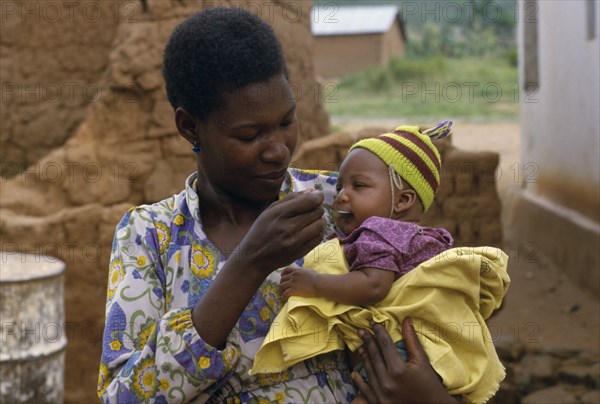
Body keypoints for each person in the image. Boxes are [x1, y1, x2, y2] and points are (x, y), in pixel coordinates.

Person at [97, 7, 460, 403]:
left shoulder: (340, 206)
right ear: (190, 127)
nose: (278, 150)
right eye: (250, 134)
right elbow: (123, 397)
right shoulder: (150, 235)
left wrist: (432, 397)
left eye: (287, 121)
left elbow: (435, 310)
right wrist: (247, 264)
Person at [251, 124, 510, 402]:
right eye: (340, 186)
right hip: (436, 349)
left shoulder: (378, 231)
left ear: (403, 201)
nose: (341, 195)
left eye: (358, 185)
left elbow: (375, 284)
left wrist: (315, 284)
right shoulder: (414, 235)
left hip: (402, 347)